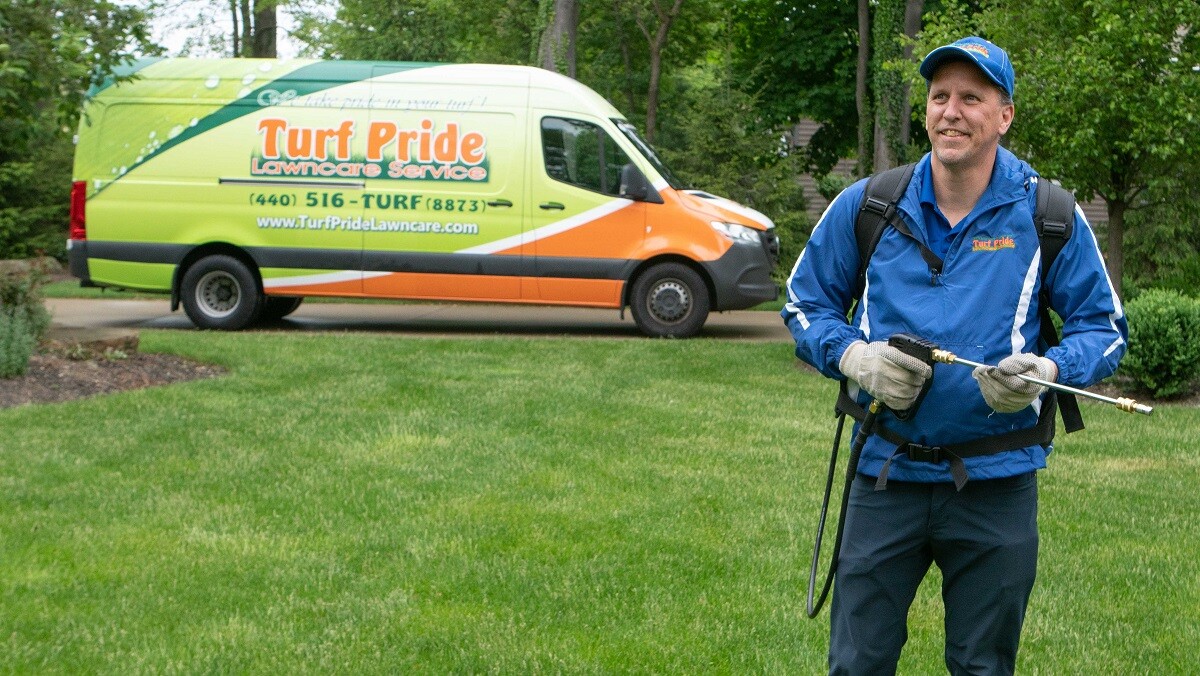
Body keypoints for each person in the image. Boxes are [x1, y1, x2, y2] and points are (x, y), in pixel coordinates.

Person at [781, 36, 1127, 674]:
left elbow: (1103, 328)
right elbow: (805, 304)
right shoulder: (870, 205)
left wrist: (1050, 371)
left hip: (998, 483)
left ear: (1005, 115)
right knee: (856, 662)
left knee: (983, 665)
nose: (951, 111)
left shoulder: (1048, 214)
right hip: (885, 474)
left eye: (972, 97)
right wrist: (853, 356)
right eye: (940, 96)